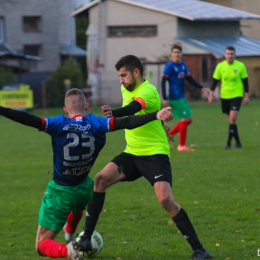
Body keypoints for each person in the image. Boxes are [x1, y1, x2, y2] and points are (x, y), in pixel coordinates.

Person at [0, 88, 174, 260]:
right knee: (77, 207)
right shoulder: (96, 123)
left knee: (41, 245)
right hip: (84, 189)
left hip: (61, 192)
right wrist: (155, 115)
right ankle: (70, 235)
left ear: (65, 110)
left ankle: (67, 251)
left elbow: (27, 119)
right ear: (87, 106)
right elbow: (126, 122)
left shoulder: (59, 124)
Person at [78, 55, 212, 260]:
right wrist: (162, 124)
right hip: (132, 153)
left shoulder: (148, 91)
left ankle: (200, 250)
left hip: (155, 154)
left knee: (166, 199)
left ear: (136, 73)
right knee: (100, 179)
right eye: (119, 76)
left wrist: (114, 113)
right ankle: (86, 238)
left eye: (124, 75)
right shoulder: (127, 87)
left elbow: (134, 110)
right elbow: (147, 116)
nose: (121, 80)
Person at [161, 43, 209, 151]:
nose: (176, 54)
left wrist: (201, 87)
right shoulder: (170, 65)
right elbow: (163, 81)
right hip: (174, 96)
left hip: (181, 95)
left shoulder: (182, 64)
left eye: (178, 52)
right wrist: (164, 97)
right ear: (171, 54)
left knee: (189, 119)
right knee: (185, 118)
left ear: (181, 53)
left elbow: (189, 78)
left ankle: (165, 137)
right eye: (174, 52)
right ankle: (181, 145)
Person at [208, 46, 249, 149]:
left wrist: (246, 95)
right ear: (225, 55)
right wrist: (211, 94)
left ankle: (228, 143)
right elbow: (214, 82)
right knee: (232, 121)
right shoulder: (220, 66)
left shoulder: (240, 66)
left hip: (237, 95)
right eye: (228, 54)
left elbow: (245, 82)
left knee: (233, 118)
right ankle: (238, 142)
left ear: (235, 55)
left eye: (231, 54)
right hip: (225, 96)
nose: (229, 56)